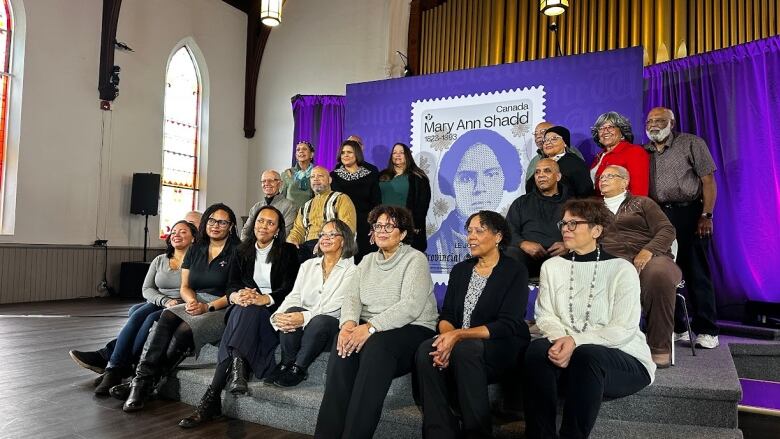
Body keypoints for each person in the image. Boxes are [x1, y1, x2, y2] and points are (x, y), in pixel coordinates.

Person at [524, 199, 655, 439]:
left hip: (622, 356)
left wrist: (574, 341)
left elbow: (623, 328)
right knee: (536, 351)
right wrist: (563, 340)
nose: (565, 228)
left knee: (588, 354)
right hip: (566, 351)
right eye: (563, 223)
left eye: (574, 223)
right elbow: (545, 315)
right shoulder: (551, 267)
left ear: (596, 230)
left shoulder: (621, 269)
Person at [314, 205, 438, 439]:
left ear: (402, 234)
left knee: (376, 347)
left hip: (413, 328)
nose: (382, 230)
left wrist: (370, 327)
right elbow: (352, 297)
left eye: (389, 226)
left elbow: (411, 306)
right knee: (343, 348)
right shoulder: (367, 261)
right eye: (378, 226)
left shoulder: (415, 259)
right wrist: (349, 325)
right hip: (372, 330)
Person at [178, 205, 300, 428]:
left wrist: (267, 298)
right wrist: (237, 296)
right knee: (245, 309)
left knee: (246, 314)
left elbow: (292, 288)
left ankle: (214, 394)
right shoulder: (242, 250)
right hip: (243, 307)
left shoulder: (289, 251)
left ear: (278, 229)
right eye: (261, 221)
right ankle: (235, 369)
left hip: (272, 311)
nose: (264, 226)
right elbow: (232, 284)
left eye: (270, 223)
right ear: (253, 224)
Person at [416, 211, 529, 438]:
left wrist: (458, 336)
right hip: (462, 347)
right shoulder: (461, 270)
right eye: (469, 231)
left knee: (466, 349)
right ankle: (440, 431)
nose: (471, 237)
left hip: (500, 345)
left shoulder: (514, 271)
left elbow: (508, 323)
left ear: (498, 236)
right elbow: (447, 315)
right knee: (425, 349)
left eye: (479, 231)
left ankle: (476, 432)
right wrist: (447, 339)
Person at [120, 203, 241, 412]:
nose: (216, 225)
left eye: (222, 222)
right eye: (212, 220)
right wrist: (191, 300)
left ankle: (145, 383)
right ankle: (141, 381)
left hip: (221, 306)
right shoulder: (196, 249)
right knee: (166, 316)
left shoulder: (238, 252)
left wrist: (207, 307)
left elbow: (234, 292)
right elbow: (185, 286)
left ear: (230, 226)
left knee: (185, 329)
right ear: (205, 223)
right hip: (194, 299)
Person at [69, 220, 198, 395]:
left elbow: (198, 288)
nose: (176, 235)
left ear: (193, 238)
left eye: (183, 232)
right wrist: (164, 300)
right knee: (138, 315)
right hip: (159, 301)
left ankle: (117, 364)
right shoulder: (160, 260)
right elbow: (147, 289)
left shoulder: (197, 262)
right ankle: (114, 369)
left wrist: (177, 302)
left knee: (150, 318)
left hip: (180, 305)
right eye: (174, 231)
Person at [644, 106, 719, 348]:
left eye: (660, 120)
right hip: (659, 216)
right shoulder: (644, 151)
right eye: (650, 120)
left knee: (696, 271)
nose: (654, 124)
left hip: (690, 212)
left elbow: (708, 181)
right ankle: (678, 327)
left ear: (671, 123)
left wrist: (706, 214)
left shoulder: (691, 143)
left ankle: (707, 330)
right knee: (664, 272)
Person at [599, 165, 682, 367]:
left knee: (659, 274)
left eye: (610, 176)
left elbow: (666, 229)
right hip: (610, 259)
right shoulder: (592, 208)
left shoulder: (642, 203)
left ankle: (659, 346)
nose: (604, 179)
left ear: (625, 182)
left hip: (652, 255)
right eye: (601, 176)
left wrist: (648, 250)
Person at [267, 219, 357, 387]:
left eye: (332, 234)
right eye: (322, 234)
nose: (325, 238)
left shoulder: (352, 270)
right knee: (291, 310)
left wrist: (303, 317)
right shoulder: (307, 265)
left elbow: (335, 305)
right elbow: (295, 295)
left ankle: (299, 368)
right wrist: (279, 316)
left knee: (320, 320)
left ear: (344, 240)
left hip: (329, 326)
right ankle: (287, 362)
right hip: (304, 324)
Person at [427, 129, 522, 272]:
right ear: (452, 184)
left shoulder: (512, 246)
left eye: (491, 174)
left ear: (506, 178)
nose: (480, 188)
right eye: (466, 178)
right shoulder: (434, 246)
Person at [507, 159, 571, 278]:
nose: (541, 175)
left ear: (558, 176)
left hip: (562, 257)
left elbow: (583, 232)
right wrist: (523, 243)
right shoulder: (521, 202)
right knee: (510, 253)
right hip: (527, 257)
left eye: (547, 171)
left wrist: (569, 245)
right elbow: (509, 230)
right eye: (537, 172)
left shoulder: (573, 203)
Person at [287, 166, 357, 262]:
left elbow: (348, 227)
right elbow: (298, 230)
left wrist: (325, 240)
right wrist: (291, 242)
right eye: (312, 177)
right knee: (285, 256)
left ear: (329, 180)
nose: (315, 179)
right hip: (308, 246)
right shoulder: (306, 205)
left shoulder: (341, 199)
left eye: (320, 176)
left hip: (331, 244)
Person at [330, 140, 381, 262]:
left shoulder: (370, 175)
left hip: (365, 225)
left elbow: (377, 203)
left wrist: (375, 226)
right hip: (341, 225)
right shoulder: (333, 176)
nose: (345, 155)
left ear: (357, 154)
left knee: (364, 263)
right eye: (342, 153)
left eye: (349, 152)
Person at [378, 142, 432, 252]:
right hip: (383, 226)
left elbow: (423, 202)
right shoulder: (382, 175)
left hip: (405, 225)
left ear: (407, 155)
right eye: (394, 153)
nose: (397, 155)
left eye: (401, 152)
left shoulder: (418, 177)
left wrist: (416, 224)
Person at [590, 111, 650, 196]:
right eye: (601, 128)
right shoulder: (598, 157)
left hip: (621, 207)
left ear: (622, 132)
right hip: (598, 208)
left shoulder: (634, 152)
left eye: (610, 127)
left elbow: (639, 192)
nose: (605, 131)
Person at [525, 126, 592, 197]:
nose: (548, 143)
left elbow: (585, 191)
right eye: (546, 140)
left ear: (565, 143)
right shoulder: (540, 163)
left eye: (554, 139)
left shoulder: (575, 163)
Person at [242, 169, 297, 239]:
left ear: (279, 184)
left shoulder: (289, 206)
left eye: (271, 180)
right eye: (264, 181)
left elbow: (284, 234)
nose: (267, 183)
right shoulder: (256, 207)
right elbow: (245, 232)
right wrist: (245, 248)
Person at [281, 141, 316, 209]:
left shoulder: (316, 173)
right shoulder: (287, 173)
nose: (301, 151)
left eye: (304, 149)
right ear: (296, 155)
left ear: (311, 154)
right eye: (298, 150)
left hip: (309, 212)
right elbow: (282, 197)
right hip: (289, 213)